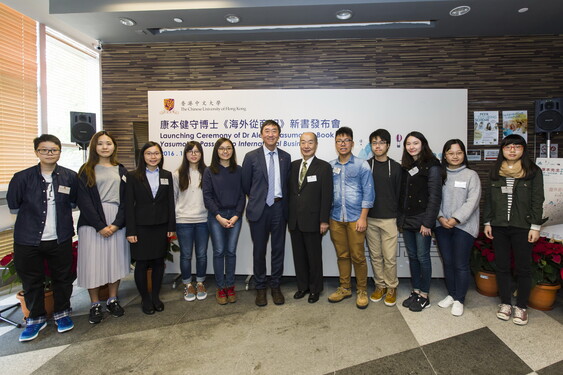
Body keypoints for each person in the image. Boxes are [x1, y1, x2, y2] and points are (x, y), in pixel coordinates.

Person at [7, 134, 78, 342]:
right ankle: (35, 319)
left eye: (54, 150)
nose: (50, 153)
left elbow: (73, 203)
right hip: (28, 239)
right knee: (32, 281)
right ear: (37, 152)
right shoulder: (22, 177)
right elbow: (14, 205)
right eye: (45, 150)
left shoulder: (69, 177)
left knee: (63, 279)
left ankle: (62, 313)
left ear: (59, 152)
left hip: (60, 238)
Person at [484, 134, 545, 325]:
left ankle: (521, 306)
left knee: (523, 268)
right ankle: (505, 303)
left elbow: (537, 200)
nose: (512, 150)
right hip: (500, 226)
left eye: (517, 147)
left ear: (523, 150)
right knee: (502, 266)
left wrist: (535, 226)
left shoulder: (533, 171)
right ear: (502, 150)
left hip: (523, 226)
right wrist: (487, 222)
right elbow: (489, 200)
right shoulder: (496, 171)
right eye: (508, 147)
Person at [77, 131, 130, 324]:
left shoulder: (121, 170)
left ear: (114, 146)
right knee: (93, 263)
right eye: (100, 143)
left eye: (109, 143)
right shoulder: (86, 170)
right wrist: (100, 226)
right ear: (94, 146)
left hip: (116, 220)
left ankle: (113, 299)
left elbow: (126, 200)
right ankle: (95, 304)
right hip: (92, 223)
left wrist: (116, 224)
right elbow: (84, 202)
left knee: (114, 261)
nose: (105, 147)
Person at [242, 120, 291, 307]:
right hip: (259, 209)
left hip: (279, 208)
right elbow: (246, 185)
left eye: (274, 131)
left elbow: (286, 184)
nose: (271, 134)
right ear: (261, 134)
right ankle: (260, 287)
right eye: (267, 131)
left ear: (279, 135)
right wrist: (258, 199)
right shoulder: (251, 156)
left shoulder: (285, 157)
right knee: (259, 251)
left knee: (278, 249)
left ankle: (276, 286)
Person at [126, 142, 175, 315]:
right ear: (143, 156)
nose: (153, 157)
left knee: (158, 262)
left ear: (161, 156)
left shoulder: (166, 175)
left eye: (156, 153)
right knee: (142, 263)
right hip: (140, 227)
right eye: (149, 153)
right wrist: (130, 230)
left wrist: (171, 226)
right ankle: (145, 298)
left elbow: (170, 203)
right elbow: (128, 205)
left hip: (161, 226)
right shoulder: (132, 176)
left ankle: (155, 296)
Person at [328, 127, 375, 309]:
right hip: (336, 217)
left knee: (357, 256)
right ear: (335, 144)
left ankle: (362, 290)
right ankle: (345, 287)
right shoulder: (330, 166)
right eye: (339, 141)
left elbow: (369, 193)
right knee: (342, 255)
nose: (343, 144)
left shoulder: (362, 165)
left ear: (352, 143)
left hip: (356, 217)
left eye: (346, 140)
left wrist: (363, 218)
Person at [434, 139, 481, 317]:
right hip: (441, 224)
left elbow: (472, 202)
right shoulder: (439, 174)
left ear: (464, 154)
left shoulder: (471, 175)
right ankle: (452, 294)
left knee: (460, 264)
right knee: (448, 262)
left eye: (459, 152)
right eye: (451, 153)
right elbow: (434, 198)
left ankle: (460, 299)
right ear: (444, 155)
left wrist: (454, 219)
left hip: (464, 227)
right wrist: (440, 217)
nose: (455, 156)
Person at [398, 131, 442, 312]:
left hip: (423, 221)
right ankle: (415, 291)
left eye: (415, 143)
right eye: (408, 144)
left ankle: (425, 294)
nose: (412, 147)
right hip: (407, 220)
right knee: (413, 257)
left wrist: (428, 222)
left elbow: (435, 196)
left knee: (423, 258)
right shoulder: (407, 166)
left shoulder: (432, 166)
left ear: (423, 144)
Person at [288, 132, 333, 303]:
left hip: (314, 221)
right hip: (295, 220)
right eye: (303, 142)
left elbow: (326, 196)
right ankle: (303, 287)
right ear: (299, 145)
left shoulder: (323, 167)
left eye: (310, 142)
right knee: (298, 256)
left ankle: (315, 289)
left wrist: (324, 220)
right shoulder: (293, 166)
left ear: (316, 145)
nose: (306, 146)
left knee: (314, 257)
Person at [203, 138, 246, 305]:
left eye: (228, 148)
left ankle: (230, 286)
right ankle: (220, 287)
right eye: (221, 148)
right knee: (219, 251)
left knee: (231, 252)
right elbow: (207, 197)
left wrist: (236, 216)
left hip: (235, 215)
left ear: (232, 151)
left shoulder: (239, 170)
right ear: (216, 151)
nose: (225, 151)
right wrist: (219, 217)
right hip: (216, 216)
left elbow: (243, 195)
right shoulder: (209, 171)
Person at [365, 129, 402, 307]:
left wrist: (399, 218)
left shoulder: (395, 167)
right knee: (375, 255)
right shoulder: (366, 165)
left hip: (389, 219)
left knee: (389, 257)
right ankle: (379, 285)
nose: (377, 146)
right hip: (370, 218)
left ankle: (392, 287)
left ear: (388, 145)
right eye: (374, 143)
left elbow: (400, 194)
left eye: (381, 143)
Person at [173, 141, 209, 302]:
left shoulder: (207, 173)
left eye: (197, 151)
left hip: (203, 220)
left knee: (201, 255)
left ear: (201, 154)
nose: (193, 154)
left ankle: (200, 282)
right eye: (190, 151)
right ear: (185, 154)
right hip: (183, 221)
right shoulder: (177, 174)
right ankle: (187, 284)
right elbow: (173, 199)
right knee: (186, 255)